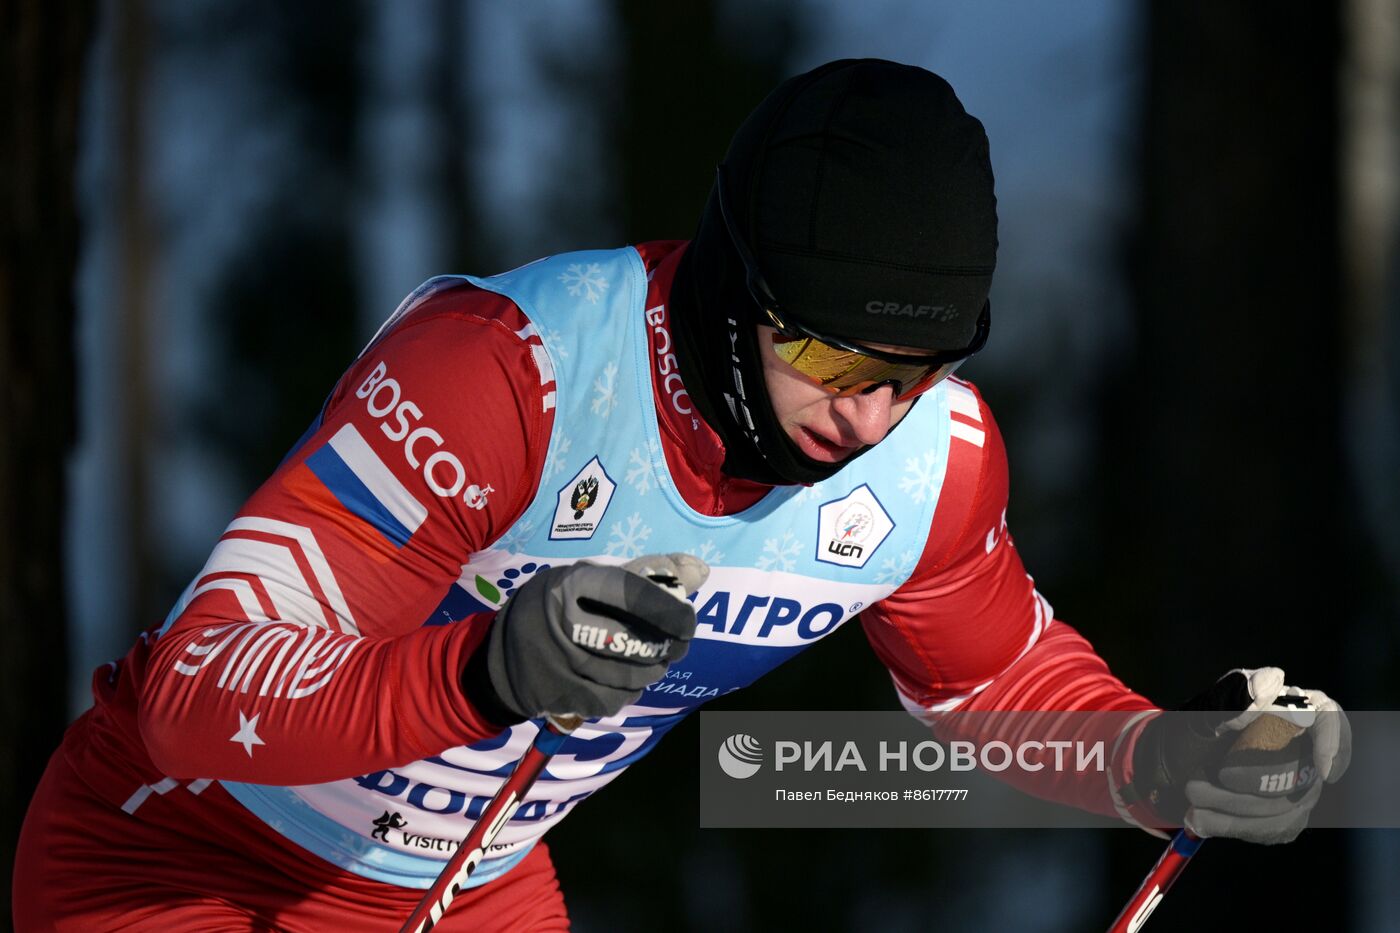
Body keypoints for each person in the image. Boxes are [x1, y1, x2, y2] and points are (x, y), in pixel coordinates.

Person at [14, 58, 1348, 931]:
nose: (868, 413)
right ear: (733, 291)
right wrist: (485, 671)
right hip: (185, 860)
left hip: (462, 886)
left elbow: (996, 684)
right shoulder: (513, 371)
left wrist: (1160, 760)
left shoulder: (929, 461)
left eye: (919, 366)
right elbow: (192, 695)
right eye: (828, 353)